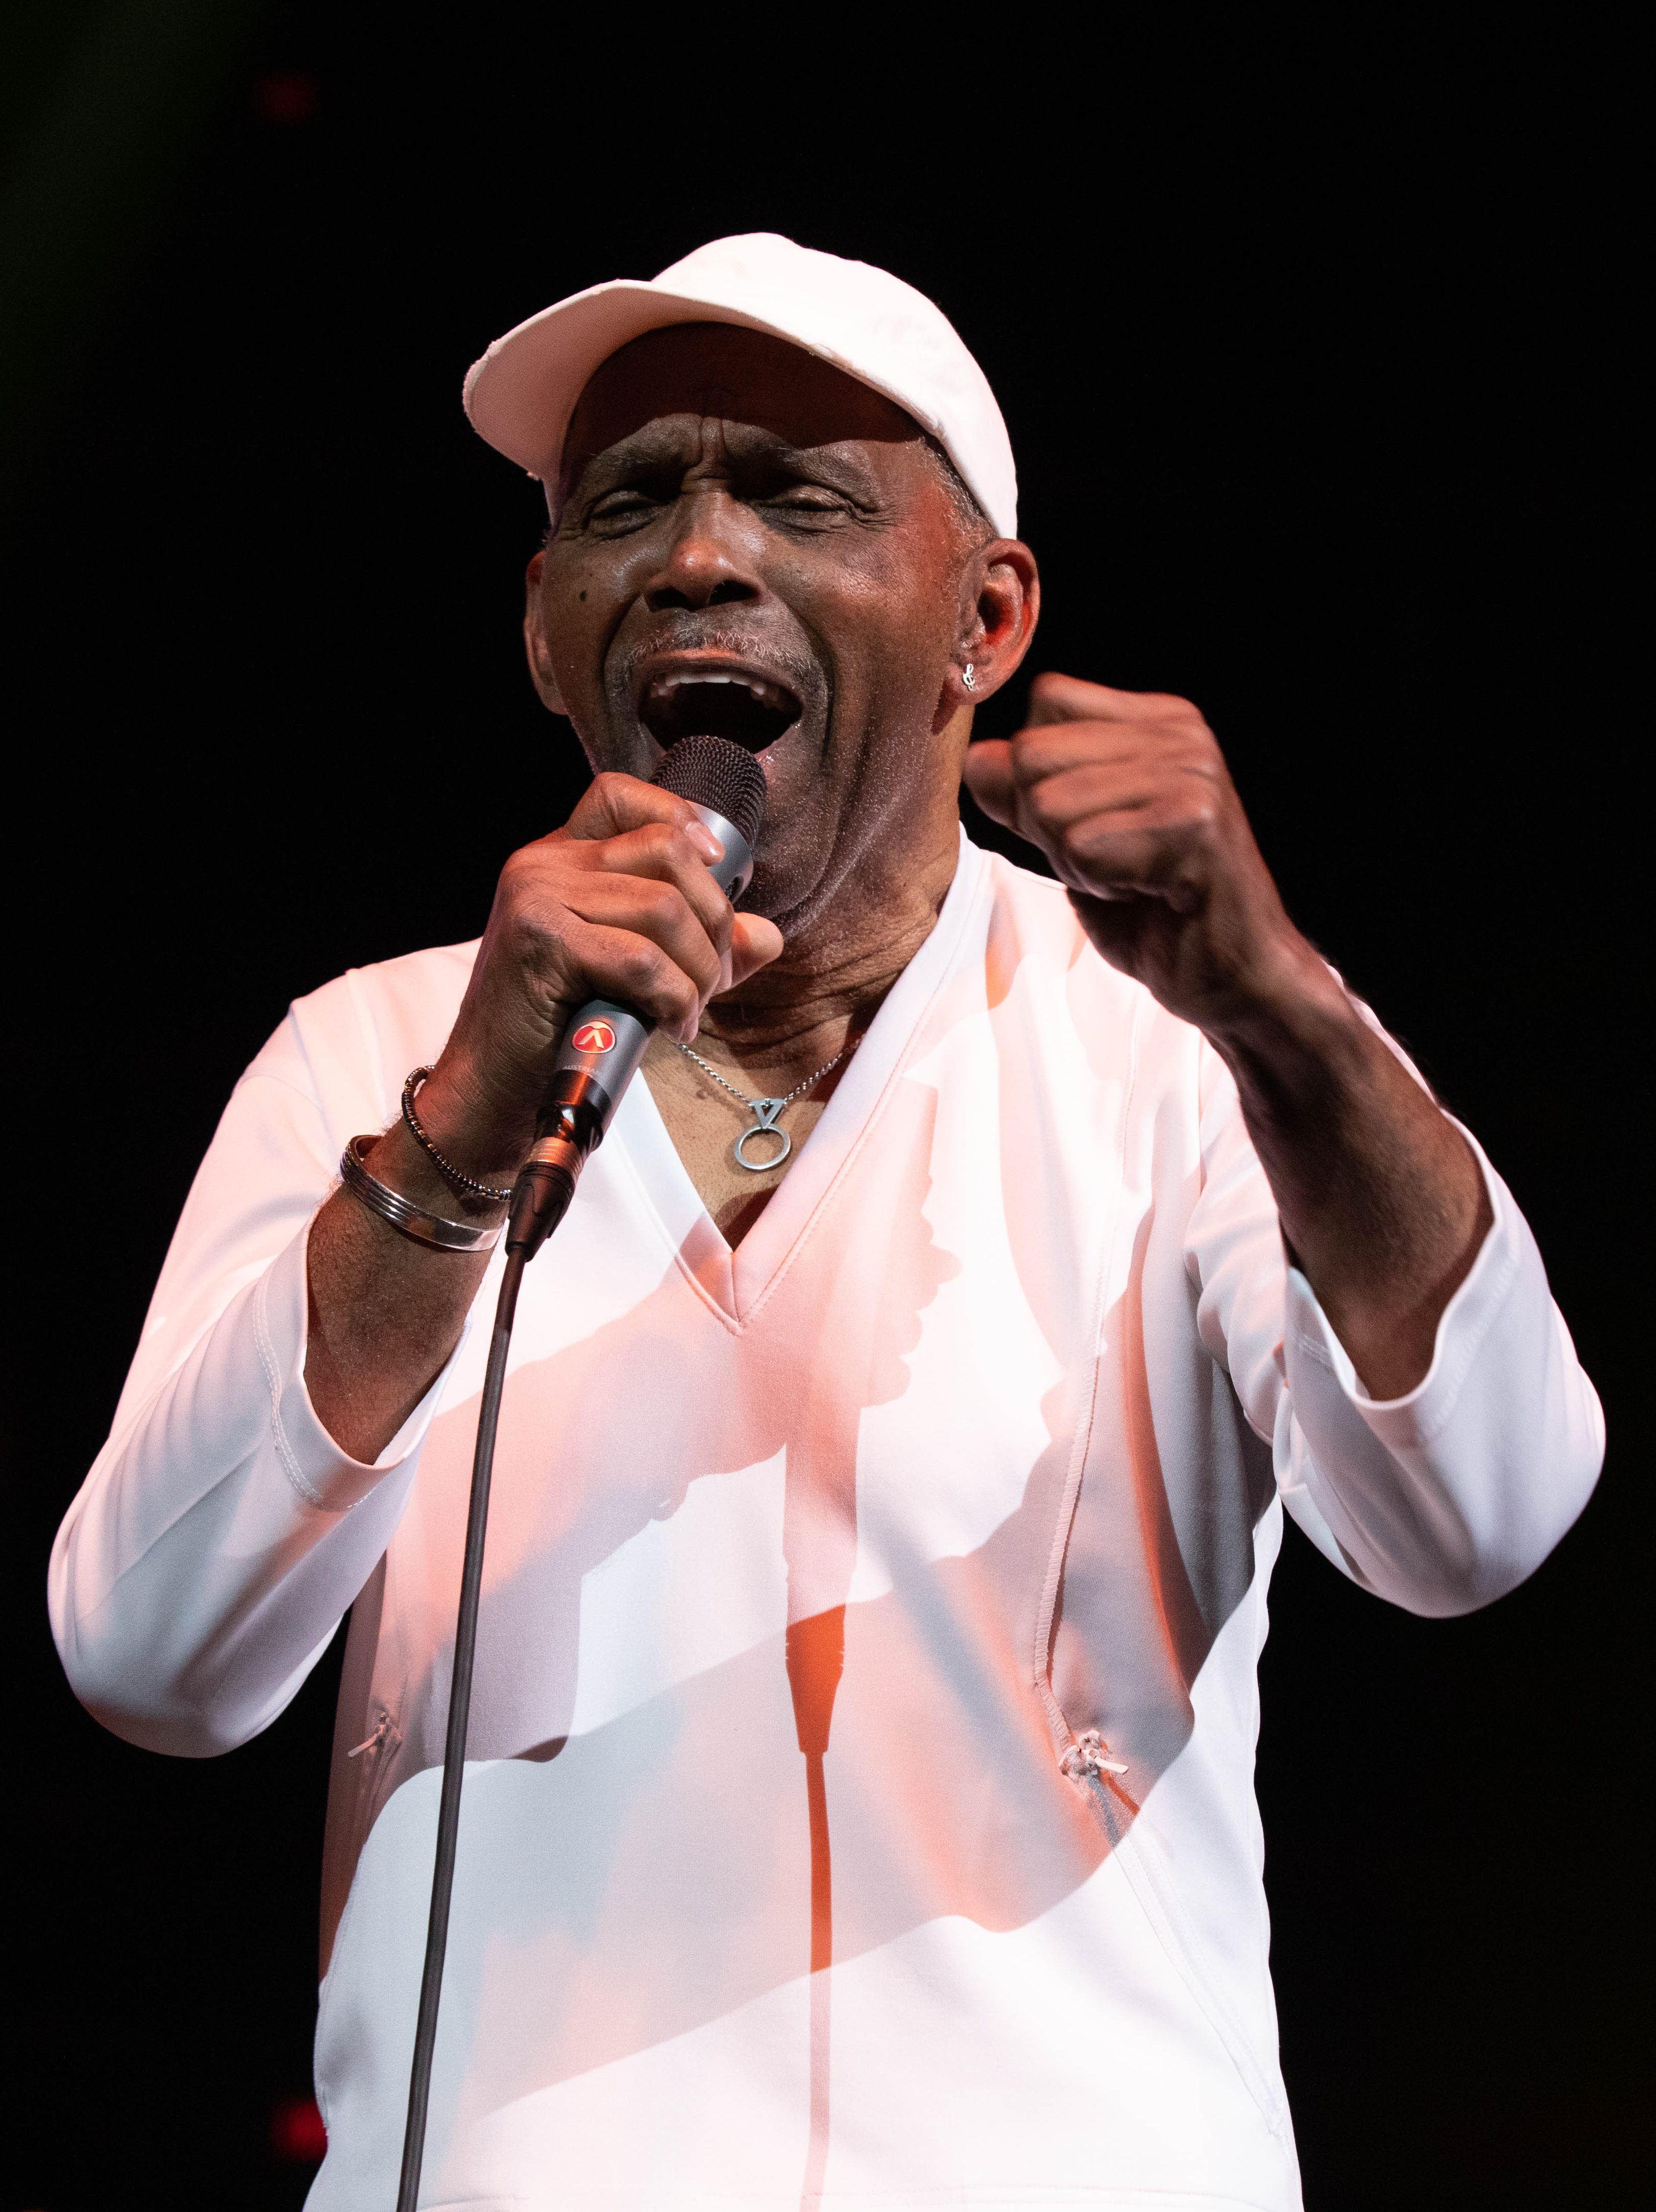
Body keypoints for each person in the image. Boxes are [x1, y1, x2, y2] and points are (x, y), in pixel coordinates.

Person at [49, 234, 1602, 2210]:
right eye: (630, 503)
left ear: (985, 617)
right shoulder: (373, 1057)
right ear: (547, 631)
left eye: (796, 492)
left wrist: (1277, 1001)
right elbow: (151, 1657)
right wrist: (453, 1147)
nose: (699, 555)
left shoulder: (1177, 1037)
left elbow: (1484, 1510)